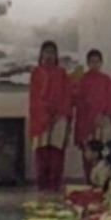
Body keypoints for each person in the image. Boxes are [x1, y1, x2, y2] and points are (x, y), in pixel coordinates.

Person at [27, 40, 75, 193]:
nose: (49, 55)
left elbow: (67, 96)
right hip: (40, 117)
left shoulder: (62, 74)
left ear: (56, 55)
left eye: (52, 52)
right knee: (41, 152)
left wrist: (57, 113)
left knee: (56, 152)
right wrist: (45, 114)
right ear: (41, 54)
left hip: (59, 117)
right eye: (46, 52)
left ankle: (54, 185)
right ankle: (42, 186)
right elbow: (34, 97)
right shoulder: (36, 73)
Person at [72, 48, 111, 181]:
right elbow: (79, 102)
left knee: (104, 152)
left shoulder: (106, 80)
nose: (94, 64)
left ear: (101, 63)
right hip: (86, 122)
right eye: (92, 62)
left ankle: (103, 181)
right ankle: (89, 180)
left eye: (97, 61)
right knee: (88, 152)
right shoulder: (82, 80)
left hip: (103, 122)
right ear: (88, 63)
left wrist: (102, 114)